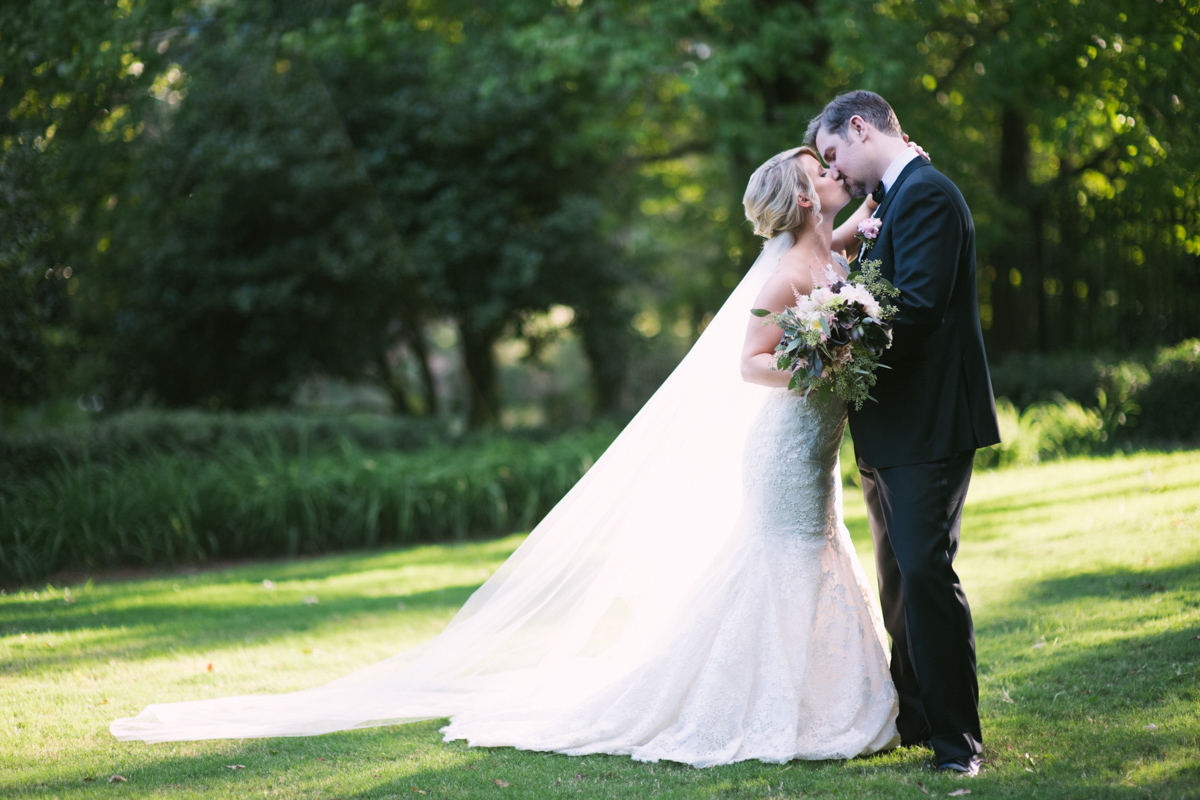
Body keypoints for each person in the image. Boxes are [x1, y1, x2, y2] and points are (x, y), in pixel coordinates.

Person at [111, 148, 900, 766]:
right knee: (782, 557)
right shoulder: (791, 270)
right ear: (801, 198)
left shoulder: (820, 253)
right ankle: (754, 705)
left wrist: (872, 210)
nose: (830, 176)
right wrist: (822, 364)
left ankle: (822, 699)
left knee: (813, 552)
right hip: (784, 444)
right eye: (818, 173)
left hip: (813, 445)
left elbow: (829, 260)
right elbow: (748, 365)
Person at [807, 90, 1001, 777]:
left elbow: (915, 305)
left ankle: (958, 743)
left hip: (929, 423)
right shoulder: (892, 198)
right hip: (888, 427)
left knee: (924, 573)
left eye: (835, 155)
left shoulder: (927, 195)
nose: (839, 172)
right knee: (897, 581)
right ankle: (916, 719)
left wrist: (834, 333)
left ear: (860, 128)